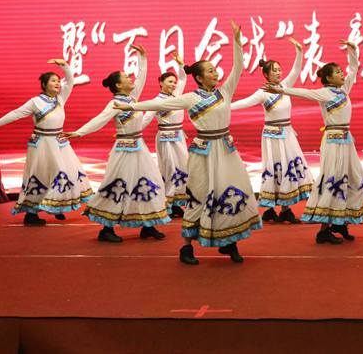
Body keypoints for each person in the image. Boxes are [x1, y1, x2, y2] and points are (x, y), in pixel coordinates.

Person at [117, 22, 261, 264]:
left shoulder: (225, 91)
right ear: (199, 78)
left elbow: (238, 67)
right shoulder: (191, 98)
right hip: (203, 152)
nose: (216, 73)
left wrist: (237, 41)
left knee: (230, 192)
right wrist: (132, 106)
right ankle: (186, 247)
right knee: (199, 195)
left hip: (226, 150)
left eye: (215, 70)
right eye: (210, 71)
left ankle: (229, 242)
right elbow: (160, 104)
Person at [64, 45, 170, 243]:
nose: (131, 79)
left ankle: (148, 225)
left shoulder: (132, 98)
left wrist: (142, 57)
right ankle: (106, 229)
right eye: (126, 78)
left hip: (139, 148)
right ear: (119, 85)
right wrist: (79, 132)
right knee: (118, 185)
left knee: (148, 183)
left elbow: (142, 77)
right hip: (124, 150)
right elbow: (99, 120)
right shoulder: (115, 104)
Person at [264, 41, 363, 244]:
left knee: (357, 180)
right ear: (328, 78)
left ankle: (340, 221)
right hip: (332, 142)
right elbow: (303, 92)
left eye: (341, 71)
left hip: (347, 140)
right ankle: (323, 230)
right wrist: (281, 91)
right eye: (338, 72)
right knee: (333, 182)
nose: (342, 74)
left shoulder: (344, 89)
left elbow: (353, 68)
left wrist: (352, 49)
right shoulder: (324, 93)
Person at [0, 59, 92, 226]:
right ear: (44, 85)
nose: (57, 83)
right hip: (42, 144)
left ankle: (56, 206)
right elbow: (16, 113)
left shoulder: (60, 98)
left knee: (65, 174)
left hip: (60, 142)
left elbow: (69, 80)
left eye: (58, 81)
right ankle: (31, 214)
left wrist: (64, 65)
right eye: (53, 81)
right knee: (40, 176)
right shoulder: (35, 102)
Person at [230, 38, 312, 223]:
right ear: (266, 75)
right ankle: (271, 209)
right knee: (275, 169)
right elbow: (244, 103)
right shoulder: (263, 93)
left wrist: (299, 52)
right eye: (274, 70)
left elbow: (296, 70)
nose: (278, 72)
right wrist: (224, 106)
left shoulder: (285, 87)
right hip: (272, 137)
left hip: (288, 134)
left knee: (288, 168)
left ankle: (284, 209)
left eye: (279, 69)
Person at [153, 53, 190, 218]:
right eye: (170, 81)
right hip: (165, 139)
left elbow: (183, 78)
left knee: (183, 168)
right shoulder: (156, 101)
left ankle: (176, 203)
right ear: (161, 83)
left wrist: (181, 65)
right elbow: (145, 118)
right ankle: (166, 204)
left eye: (174, 82)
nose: (174, 84)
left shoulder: (177, 95)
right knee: (170, 169)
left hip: (179, 137)